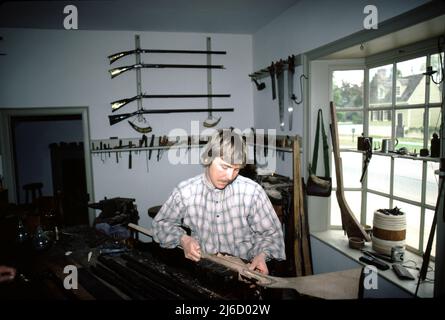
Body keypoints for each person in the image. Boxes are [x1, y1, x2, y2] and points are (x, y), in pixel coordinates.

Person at [152, 129, 285, 275]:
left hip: (244, 272)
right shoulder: (186, 191)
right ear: (209, 157)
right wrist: (183, 239)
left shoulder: (252, 192)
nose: (229, 176)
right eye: (225, 166)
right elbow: (160, 224)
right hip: (203, 271)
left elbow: (272, 234)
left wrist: (262, 255)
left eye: (236, 169)